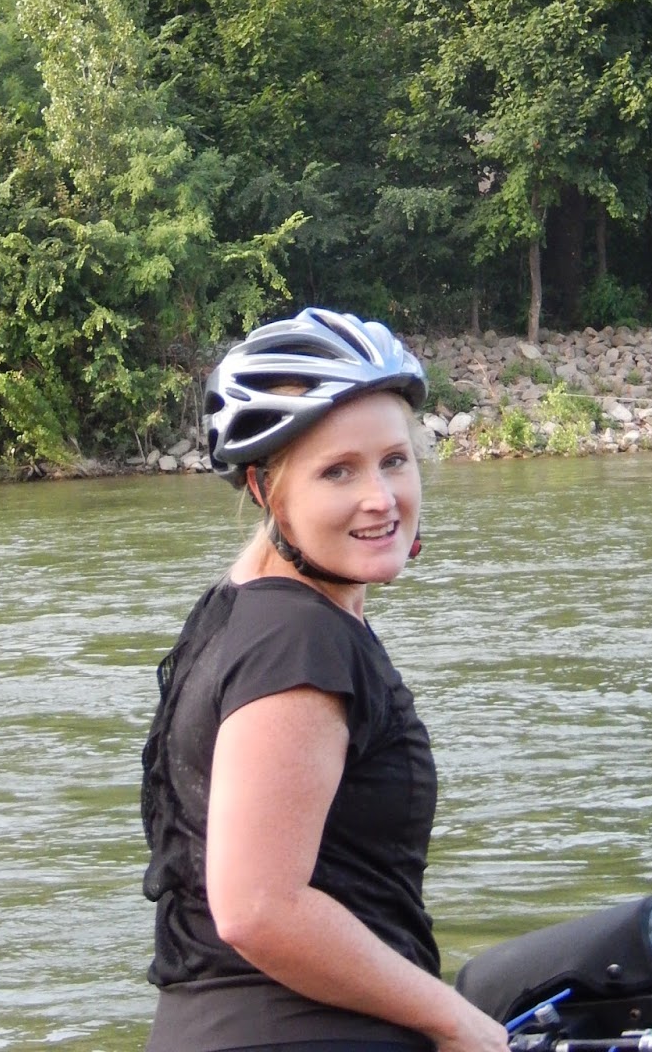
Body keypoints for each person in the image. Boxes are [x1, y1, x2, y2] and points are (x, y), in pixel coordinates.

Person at [140, 307, 510, 1052]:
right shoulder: (298, 640)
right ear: (264, 490)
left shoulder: (240, 613)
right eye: (338, 471)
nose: (381, 497)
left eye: (394, 460)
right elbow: (258, 908)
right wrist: (456, 1020)